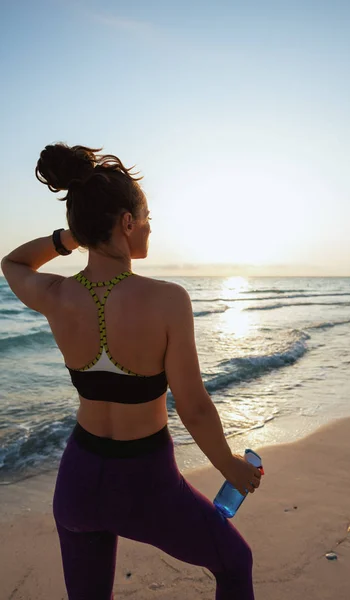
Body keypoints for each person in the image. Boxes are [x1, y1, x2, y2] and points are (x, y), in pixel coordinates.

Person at [1, 143, 262, 600]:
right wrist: (230, 466)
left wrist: (71, 238)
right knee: (235, 562)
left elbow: (12, 264)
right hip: (146, 485)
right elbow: (194, 406)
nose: (148, 229)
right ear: (127, 222)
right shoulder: (167, 299)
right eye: (146, 219)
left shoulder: (57, 295)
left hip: (78, 480)